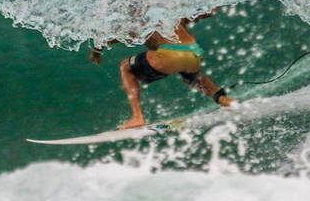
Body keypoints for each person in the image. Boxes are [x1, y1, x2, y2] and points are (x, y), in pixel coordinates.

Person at [89, 12, 236, 129]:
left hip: (171, 55)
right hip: (194, 53)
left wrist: (95, 54)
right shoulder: (172, 13)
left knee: (126, 67)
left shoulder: (140, 22)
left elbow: (104, 40)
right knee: (190, 75)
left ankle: (137, 116)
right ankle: (224, 99)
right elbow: (206, 12)